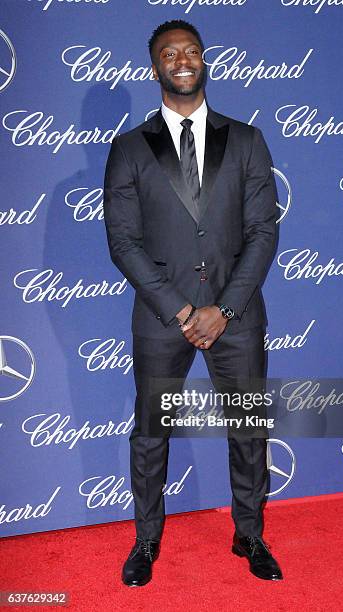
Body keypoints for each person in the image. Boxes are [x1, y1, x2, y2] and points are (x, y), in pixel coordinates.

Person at [103, 19, 282, 586]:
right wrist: (182, 310)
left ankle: (249, 533)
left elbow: (263, 232)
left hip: (237, 314)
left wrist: (222, 309)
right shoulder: (130, 148)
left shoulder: (248, 139)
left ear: (205, 61)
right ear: (155, 67)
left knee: (249, 431)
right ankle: (146, 540)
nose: (182, 60)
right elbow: (122, 241)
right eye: (169, 53)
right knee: (151, 433)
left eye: (192, 51)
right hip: (162, 318)